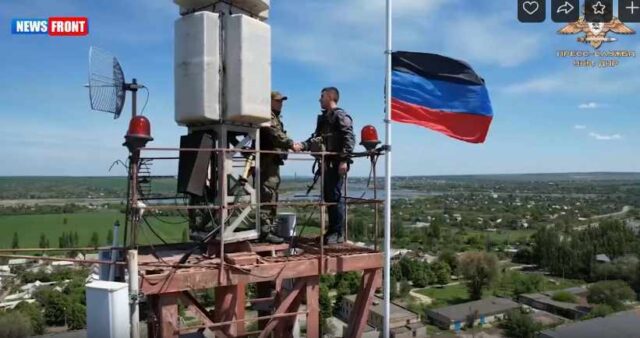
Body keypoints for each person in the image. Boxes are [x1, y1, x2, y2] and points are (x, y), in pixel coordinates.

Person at [294, 87, 355, 244]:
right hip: (327, 163)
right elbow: (316, 138)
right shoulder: (324, 118)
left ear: (330, 97)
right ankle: (331, 231)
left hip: (335, 163)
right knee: (329, 196)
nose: (319, 99)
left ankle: (338, 233)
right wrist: (303, 145)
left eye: (322, 96)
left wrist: (344, 160)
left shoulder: (340, 115)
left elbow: (349, 138)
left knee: (335, 196)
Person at [259, 91, 295, 243]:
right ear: (270, 102)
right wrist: (292, 144)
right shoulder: (268, 116)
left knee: (271, 193)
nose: (281, 104)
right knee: (268, 193)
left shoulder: (274, 117)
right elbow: (276, 135)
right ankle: (265, 232)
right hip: (267, 161)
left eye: (281, 101)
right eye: (278, 101)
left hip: (272, 161)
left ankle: (268, 230)